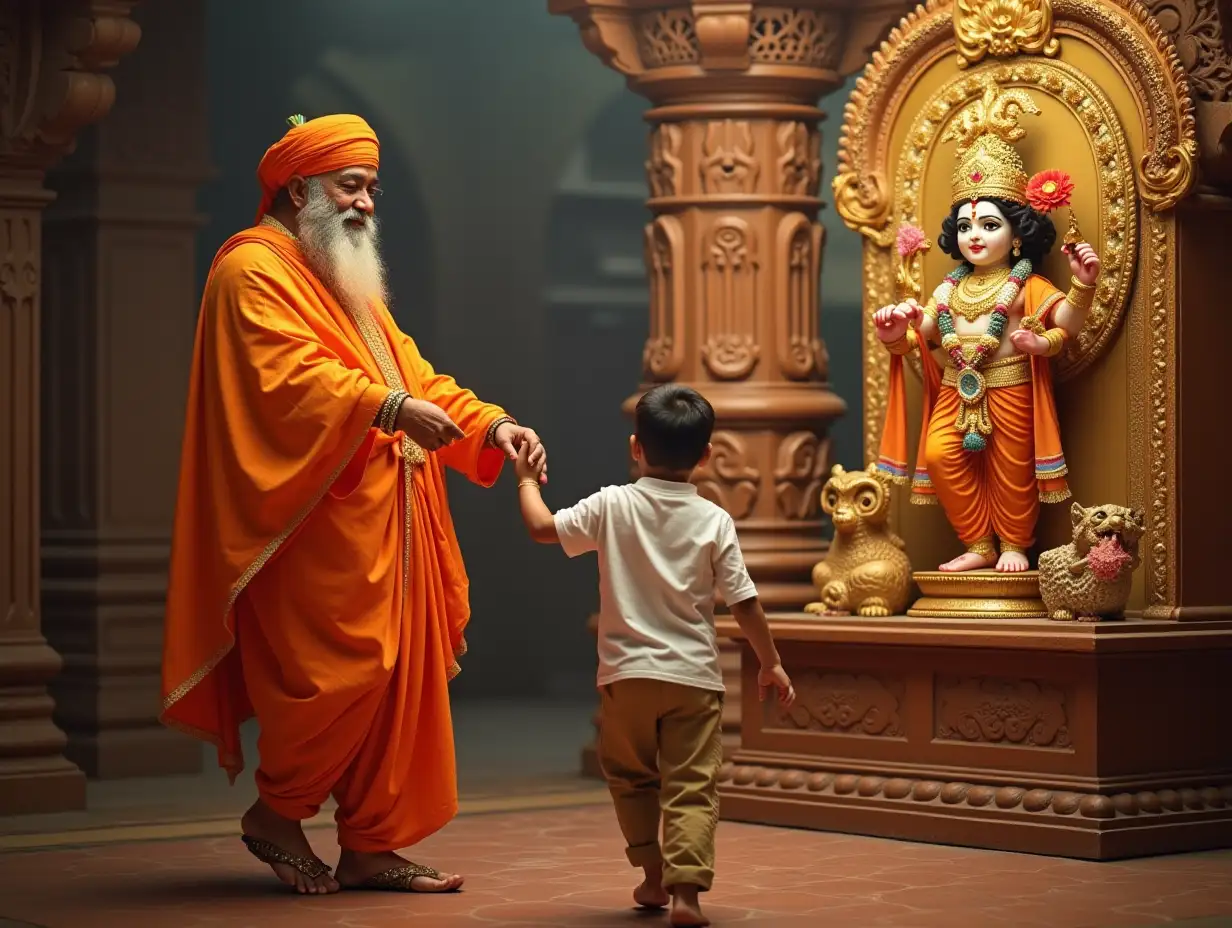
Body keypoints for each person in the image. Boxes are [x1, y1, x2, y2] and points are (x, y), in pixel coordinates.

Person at [159, 114, 547, 895]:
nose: (367, 203)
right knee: (346, 674)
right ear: (299, 187)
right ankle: (277, 813)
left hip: (391, 521)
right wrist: (386, 410)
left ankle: (372, 843)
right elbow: (287, 381)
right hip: (312, 528)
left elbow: (415, 375)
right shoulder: (252, 271)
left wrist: (492, 424)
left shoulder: (339, 274)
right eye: (351, 186)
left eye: (372, 188)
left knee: (404, 681)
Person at [513, 383, 795, 928]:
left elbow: (543, 528)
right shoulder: (714, 520)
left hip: (626, 677)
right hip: (693, 679)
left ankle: (650, 875)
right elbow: (745, 603)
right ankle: (686, 896)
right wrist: (771, 661)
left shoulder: (612, 504)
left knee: (632, 778)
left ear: (635, 447)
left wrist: (526, 481)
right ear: (707, 455)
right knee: (692, 786)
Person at [872, 79, 1100, 573]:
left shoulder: (1026, 285)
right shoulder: (948, 288)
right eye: (967, 226)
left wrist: (1082, 285)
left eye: (990, 225)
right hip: (958, 390)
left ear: (1018, 234)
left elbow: (1068, 322)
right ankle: (979, 544)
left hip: (1012, 386)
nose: (976, 235)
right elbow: (923, 334)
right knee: (939, 456)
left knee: (1012, 469)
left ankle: (1015, 543)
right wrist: (895, 332)